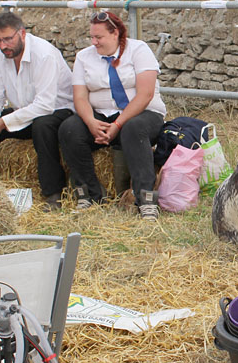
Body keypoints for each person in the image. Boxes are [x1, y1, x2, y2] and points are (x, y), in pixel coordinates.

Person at [59, 11, 166, 219]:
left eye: (99, 37)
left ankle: (146, 200)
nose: (94, 42)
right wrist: (91, 122)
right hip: (100, 115)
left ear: (115, 33)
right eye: (91, 37)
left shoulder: (139, 50)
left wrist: (118, 124)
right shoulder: (84, 57)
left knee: (133, 129)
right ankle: (88, 195)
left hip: (143, 114)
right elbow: (80, 97)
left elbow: (145, 94)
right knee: (69, 129)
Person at [0, 12, 74, 210]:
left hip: (59, 111)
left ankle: (53, 195)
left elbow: (45, 105)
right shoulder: (2, 55)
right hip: (24, 111)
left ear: (22, 33)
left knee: (42, 126)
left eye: (8, 39)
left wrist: (3, 123)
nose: (3, 46)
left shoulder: (44, 54)